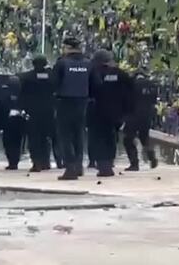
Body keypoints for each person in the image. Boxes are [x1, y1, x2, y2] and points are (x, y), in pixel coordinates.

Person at [52, 37, 98, 180]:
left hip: (64, 102)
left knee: (65, 136)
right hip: (82, 102)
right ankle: (78, 166)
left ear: (67, 47)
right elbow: (95, 84)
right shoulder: (88, 63)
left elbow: (53, 83)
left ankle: (70, 167)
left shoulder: (61, 63)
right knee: (79, 134)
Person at [90, 49, 134, 177]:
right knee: (111, 138)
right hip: (117, 112)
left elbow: (90, 90)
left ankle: (102, 165)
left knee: (99, 138)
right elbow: (131, 91)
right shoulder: (121, 74)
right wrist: (127, 111)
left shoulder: (95, 73)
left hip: (98, 110)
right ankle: (109, 163)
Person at [20, 55, 57, 172]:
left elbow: (22, 94)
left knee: (34, 138)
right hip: (49, 111)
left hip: (33, 111)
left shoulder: (27, 77)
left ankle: (36, 162)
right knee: (46, 137)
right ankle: (46, 161)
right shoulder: (51, 76)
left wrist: (23, 108)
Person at [123, 68, 159, 170]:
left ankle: (134, 163)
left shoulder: (131, 85)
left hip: (133, 115)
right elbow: (154, 100)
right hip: (147, 115)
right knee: (144, 137)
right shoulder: (152, 85)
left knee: (128, 139)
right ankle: (151, 157)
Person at [3, 76, 25, 170]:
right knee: (17, 142)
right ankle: (14, 161)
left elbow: (3, 105)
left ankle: (12, 162)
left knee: (8, 142)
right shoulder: (23, 92)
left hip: (9, 120)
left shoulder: (6, 92)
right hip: (20, 120)